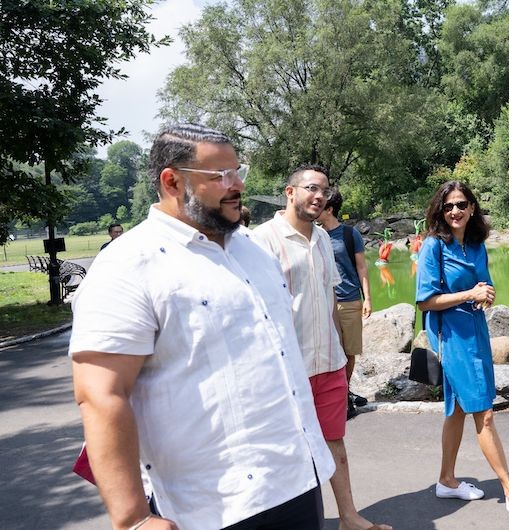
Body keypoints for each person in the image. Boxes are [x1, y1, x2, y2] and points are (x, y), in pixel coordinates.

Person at [70, 123, 334, 530]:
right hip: (210, 505)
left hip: (297, 477)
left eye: (237, 172)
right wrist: (134, 518)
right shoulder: (128, 265)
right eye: (220, 176)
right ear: (172, 181)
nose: (236, 186)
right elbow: (101, 393)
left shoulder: (252, 251)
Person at [254, 165, 392, 530]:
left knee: (334, 442)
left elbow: (330, 295)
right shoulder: (262, 240)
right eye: (312, 188)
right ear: (290, 192)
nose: (319, 196)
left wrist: (338, 345)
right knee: (288, 452)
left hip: (328, 362)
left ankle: (349, 517)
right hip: (289, 368)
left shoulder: (323, 239)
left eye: (325, 191)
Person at [415, 180, 509, 521]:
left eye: (462, 204)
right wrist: (470, 295)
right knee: (484, 411)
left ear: (472, 208)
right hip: (450, 337)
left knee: (456, 410)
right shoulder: (434, 246)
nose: (455, 211)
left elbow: (484, 283)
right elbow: (425, 300)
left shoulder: (477, 244)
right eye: (449, 206)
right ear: (440, 210)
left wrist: (487, 293)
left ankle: (446, 481)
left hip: (475, 332)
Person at [317, 188, 372, 418]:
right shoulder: (314, 235)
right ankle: (336, 393)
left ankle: (344, 392)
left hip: (349, 300)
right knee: (331, 350)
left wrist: (367, 298)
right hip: (324, 302)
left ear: (329, 209)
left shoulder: (350, 235)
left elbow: (361, 267)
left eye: (321, 205)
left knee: (348, 351)